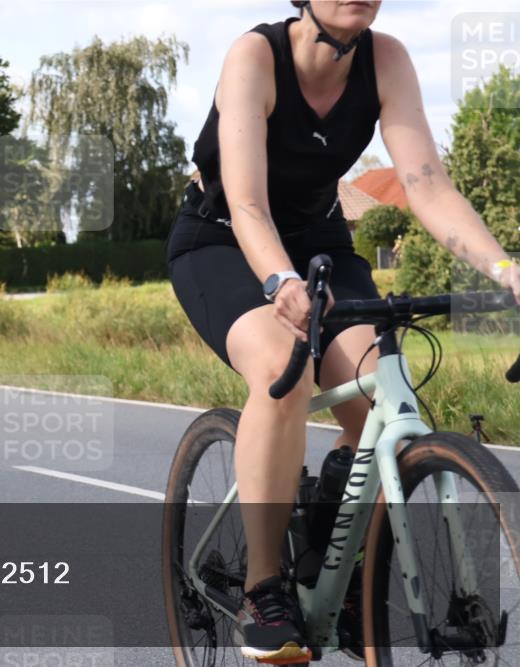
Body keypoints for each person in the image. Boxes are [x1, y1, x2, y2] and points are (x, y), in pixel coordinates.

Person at [166, 0, 520, 661]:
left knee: (377, 385)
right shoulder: (256, 57)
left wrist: (506, 270)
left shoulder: (387, 59)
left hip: (320, 239)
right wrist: (278, 281)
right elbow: (245, 201)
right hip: (222, 240)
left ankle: (333, 557)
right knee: (284, 365)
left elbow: (426, 183)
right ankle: (264, 587)